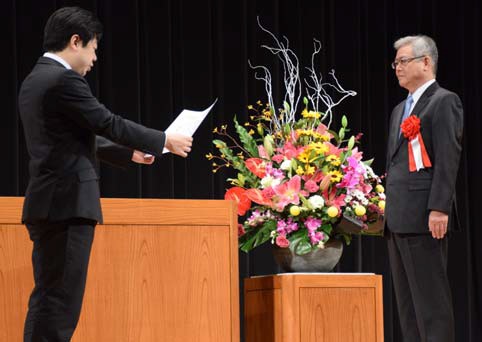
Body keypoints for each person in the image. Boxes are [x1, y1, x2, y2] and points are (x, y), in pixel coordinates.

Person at [18, 6, 192, 342]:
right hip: (66, 204)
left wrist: (129, 154)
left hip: (49, 202)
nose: (95, 58)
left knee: (50, 300)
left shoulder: (36, 78)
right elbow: (106, 121)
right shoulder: (63, 79)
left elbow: (74, 136)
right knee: (59, 305)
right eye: (94, 48)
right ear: (75, 41)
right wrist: (162, 139)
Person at [385, 35, 463, 342]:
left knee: (431, 305)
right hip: (397, 218)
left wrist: (439, 207)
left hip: (424, 217)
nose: (397, 68)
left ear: (426, 62)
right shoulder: (398, 110)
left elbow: (448, 157)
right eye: (395, 63)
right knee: (408, 307)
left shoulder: (444, 101)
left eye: (403, 61)